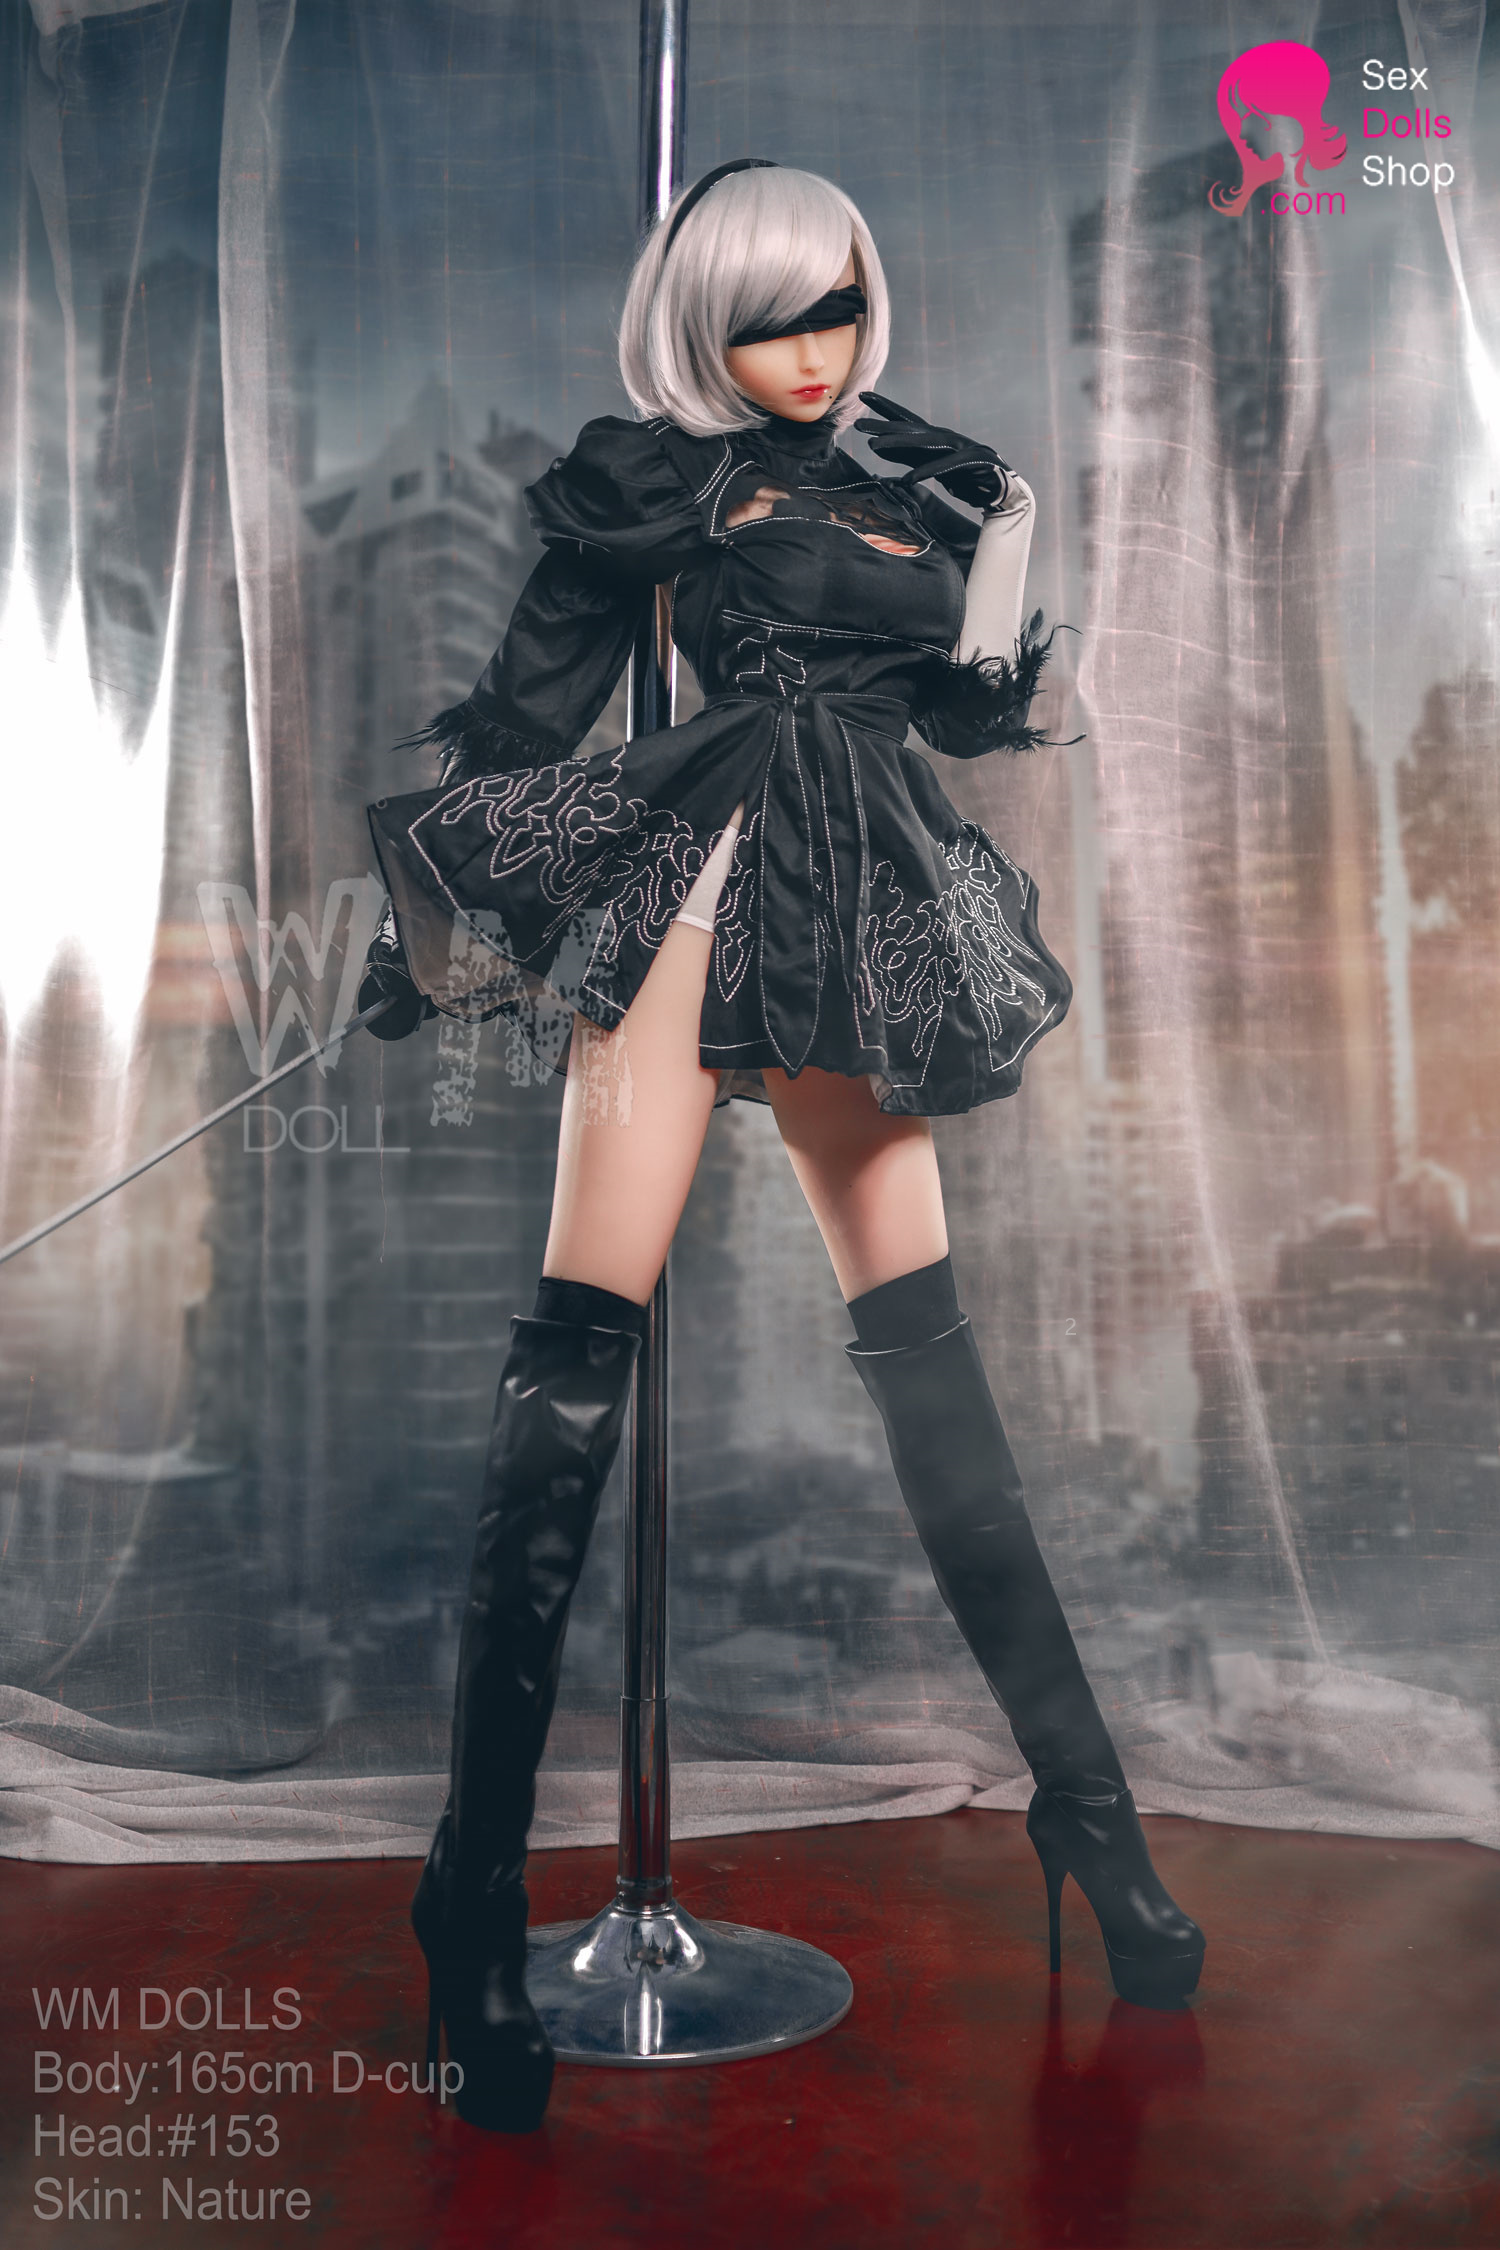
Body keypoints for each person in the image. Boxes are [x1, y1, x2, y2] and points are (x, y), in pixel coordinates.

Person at [360, 158, 1205, 2134]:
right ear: (701, 328)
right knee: (573, 1358)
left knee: (933, 1367)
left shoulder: (923, 479)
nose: (811, 351)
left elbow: (961, 713)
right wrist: (433, 930)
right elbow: (531, 714)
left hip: (867, 909)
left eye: (833, 307)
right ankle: (471, 1898)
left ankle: (1089, 1817)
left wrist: (999, 576)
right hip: (692, 885)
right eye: (766, 320)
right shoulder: (658, 484)